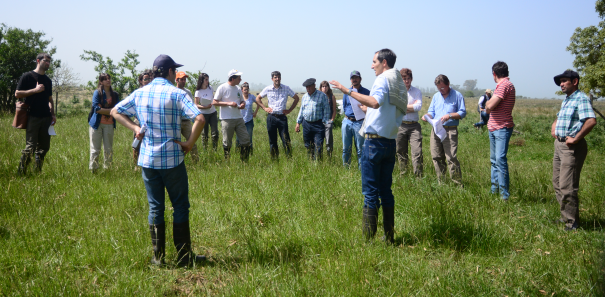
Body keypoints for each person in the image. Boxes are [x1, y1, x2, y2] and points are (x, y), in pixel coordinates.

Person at [111, 54, 206, 267]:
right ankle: (184, 257)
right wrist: (189, 143)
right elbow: (199, 118)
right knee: (180, 206)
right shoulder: (177, 94)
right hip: (172, 159)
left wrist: (135, 128)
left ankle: (158, 258)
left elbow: (115, 111)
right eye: (175, 71)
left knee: (155, 207)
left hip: (148, 160)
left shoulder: (140, 93)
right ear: (171, 72)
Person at [330, 48, 407, 244]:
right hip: (390, 142)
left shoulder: (382, 79)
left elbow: (374, 102)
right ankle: (389, 238)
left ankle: (368, 241)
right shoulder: (398, 81)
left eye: (374, 62)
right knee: (386, 191)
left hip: (374, 143)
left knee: (370, 193)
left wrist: (346, 90)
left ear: (384, 63)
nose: (372, 65)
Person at [551, 70, 596, 231]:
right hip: (560, 144)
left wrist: (576, 138)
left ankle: (572, 223)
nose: (561, 84)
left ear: (575, 81)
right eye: (560, 81)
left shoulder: (581, 98)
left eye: (564, 81)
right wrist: (554, 125)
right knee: (557, 183)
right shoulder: (568, 100)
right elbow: (560, 116)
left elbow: (591, 121)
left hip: (572, 147)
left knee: (567, 185)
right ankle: (566, 217)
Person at [422, 74, 466, 186]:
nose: (441, 90)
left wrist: (450, 115)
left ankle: (457, 184)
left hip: (450, 130)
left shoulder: (457, 95)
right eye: (438, 88)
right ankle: (441, 182)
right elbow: (431, 112)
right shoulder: (436, 96)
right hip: (436, 129)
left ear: (448, 84)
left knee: (451, 157)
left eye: (442, 87)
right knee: (436, 156)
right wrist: (427, 116)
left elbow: (462, 112)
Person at [16, 53, 56, 175]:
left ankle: (37, 172)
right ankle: (21, 172)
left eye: (49, 61)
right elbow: (17, 94)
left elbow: (50, 99)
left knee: (44, 148)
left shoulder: (48, 80)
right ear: (38, 61)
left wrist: (52, 114)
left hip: (46, 118)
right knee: (30, 147)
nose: (48, 63)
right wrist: (35, 90)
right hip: (32, 116)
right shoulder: (27, 76)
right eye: (46, 61)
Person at [486, 62, 516, 201]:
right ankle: (494, 189)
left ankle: (504, 195)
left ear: (494, 73)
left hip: (501, 127)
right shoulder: (502, 86)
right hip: (494, 127)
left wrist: (488, 103)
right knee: (494, 160)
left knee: (500, 160)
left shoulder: (504, 85)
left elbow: (490, 105)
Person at [256, 71, 300, 160]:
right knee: (272, 141)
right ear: (272, 79)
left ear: (281, 78)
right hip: (271, 117)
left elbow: (296, 98)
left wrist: (290, 110)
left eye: (278, 77)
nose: (277, 79)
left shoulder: (286, 88)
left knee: (286, 140)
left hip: (282, 118)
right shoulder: (268, 89)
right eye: (275, 77)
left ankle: (289, 159)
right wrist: (265, 108)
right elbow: (258, 98)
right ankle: (274, 160)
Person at [212, 69, 251, 160]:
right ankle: (227, 161)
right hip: (227, 119)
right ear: (232, 78)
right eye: (239, 78)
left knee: (245, 140)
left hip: (239, 118)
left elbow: (242, 100)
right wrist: (228, 103)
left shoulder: (238, 88)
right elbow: (214, 102)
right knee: (227, 142)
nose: (240, 80)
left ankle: (244, 162)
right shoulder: (222, 87)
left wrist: (243, 104)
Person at [396, 68, 423, 177]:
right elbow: (396, 107)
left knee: (417, 152)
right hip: (400, 125)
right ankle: (403, 175)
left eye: (408, 78)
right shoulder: (397, 92)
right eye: (404, 79)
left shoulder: (417, 91)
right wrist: (411, 107)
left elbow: (418, 106)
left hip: (414, 126)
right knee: (401, 152)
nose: (406, 81)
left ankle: (419, 177)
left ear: (411, 79)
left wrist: (403, 107)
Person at [88, 73, 119, 172]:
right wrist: (112, 111)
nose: (108, 80)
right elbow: (97, 109)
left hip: (109, 124)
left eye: (109, 78)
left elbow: (118, 109)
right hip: (96, 124)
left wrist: (105, 110)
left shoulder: (115, 94)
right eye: (105, 79)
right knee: (95, 150)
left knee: (108, 150)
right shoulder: (97, 93)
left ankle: (108, 170)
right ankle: (94, 170)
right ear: (101, 82)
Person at [295, 78, 331, 161]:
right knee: (308, 145)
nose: (308, 88)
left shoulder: (322, 96)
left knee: (318, 146)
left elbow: (327, 111)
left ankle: (318, 165)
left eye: (310, 87)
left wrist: (324, 122)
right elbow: (302, 110)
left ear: (314, 86)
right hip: (306, 124)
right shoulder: (304, 97)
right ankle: (310, 163)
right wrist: (298, 123)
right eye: (307, 87)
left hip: (318, 124)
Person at [341, 70, 370, 167]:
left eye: (356, 77)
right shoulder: (347, 92)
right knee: (346, 149)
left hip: (360, 122)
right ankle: (346, 169)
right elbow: (345, 106)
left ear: (360, 79)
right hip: (347, 122)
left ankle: (361, 170)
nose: (354, 79)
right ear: (350, 80)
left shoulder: (366, 92)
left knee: (360, 149)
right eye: (353, 78)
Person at [175, 71, 199, 162]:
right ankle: (177, 162)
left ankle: (196, 162)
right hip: (176, 121)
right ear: (177, 80)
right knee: (175, 144)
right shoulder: (173, 91)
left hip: (186, 121)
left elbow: (192, 106)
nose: (184, 81)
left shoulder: (188, 92)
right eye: (182, 79)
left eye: (185, 79)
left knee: (192, 142)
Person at [194, 73, 219, 150]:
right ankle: (205, 150)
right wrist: (205, 107)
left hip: (213, 113)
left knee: (215, 133)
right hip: (203, 114)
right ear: (201, 80)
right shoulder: (198, 91)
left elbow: (213, 98)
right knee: (204, 134)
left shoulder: (210, 88)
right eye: (206, 79)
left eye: (208, 79)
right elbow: (196, 105)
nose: (207, 81)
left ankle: (215, 149)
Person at [133, 69, 153, 163]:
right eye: (145, 79)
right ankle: (135, 165)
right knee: (137, 143)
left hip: (150, 121)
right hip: (139, 121)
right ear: (140, 81)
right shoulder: (137, 92)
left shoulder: (152, 92)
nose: (148, 81)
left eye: (149, 79)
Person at [236, 82, 259, 154]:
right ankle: (238, 152)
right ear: (242, 90)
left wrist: (255, 112)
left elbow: (259, 103)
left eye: (247, 89)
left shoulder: (251, 97)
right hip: (239, 120)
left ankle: (250, 152)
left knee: (249, 138)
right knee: (238, 139)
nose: (246, 91)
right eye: (245, 90)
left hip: (249, 120)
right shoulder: (239, 97)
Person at [319, 81, 337, 157]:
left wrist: (332, 120)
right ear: (320, 88)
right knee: (319, 140)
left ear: (328, 87)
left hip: (328, 122)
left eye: (326, 86)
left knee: (328, 141)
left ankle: (329, 156)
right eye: (323, 86)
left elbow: (334, 110)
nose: (324, 88)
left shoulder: (331, 96)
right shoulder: (318, 96)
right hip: (319, 122)